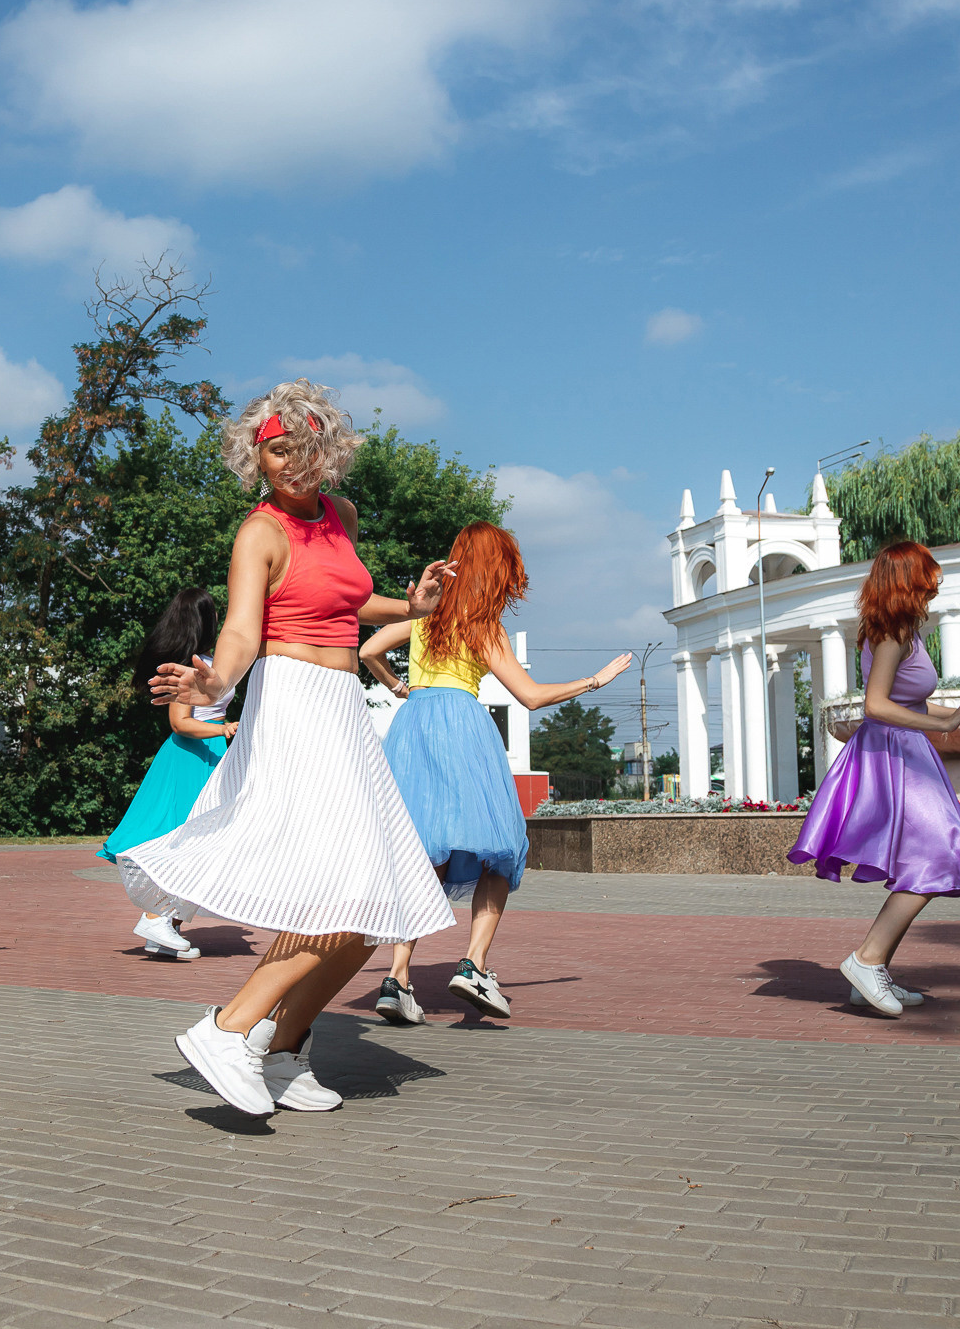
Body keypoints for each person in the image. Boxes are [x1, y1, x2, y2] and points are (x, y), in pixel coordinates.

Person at [127, 380, 459, 1117]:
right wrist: (216, 677)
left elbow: (345, 597)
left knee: (376, 908)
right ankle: (229, 1029)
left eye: (301, 450)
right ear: (258, 458)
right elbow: (244, 630)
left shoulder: (339, 515)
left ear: (328, 452)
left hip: (344, 709)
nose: (287, 464)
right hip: (294, 707)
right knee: (341, 890)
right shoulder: (260, 532)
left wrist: (412, 607)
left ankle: (280, 1052)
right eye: (273, 451)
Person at [359, 524, 631, 1023]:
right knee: (499, 849)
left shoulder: (426, 616)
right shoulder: (483, 625)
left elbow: (367, 650)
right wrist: (595, 680)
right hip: (462, 726)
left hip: (413, 726)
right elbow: (530, 695)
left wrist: (400, 688)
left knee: (421, 851)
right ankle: (474, 965)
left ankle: (397, 978)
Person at [786, 540, 960, 1018]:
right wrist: (943, 725)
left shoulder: (904, 630)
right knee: (935, 858)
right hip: (892, 755)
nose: (937, 583)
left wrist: (959, 713)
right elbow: (876, 705)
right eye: (930, 576)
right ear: (909, 580)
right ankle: (866, 959)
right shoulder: (893, 633)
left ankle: (872, 972)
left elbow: (912, 704)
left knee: (922, 862)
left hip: (904, 752)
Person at [100, 589, 240, 961]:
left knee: (195, 839)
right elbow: (181, 723)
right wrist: (224, 729)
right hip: (192, 757)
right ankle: (154, 917)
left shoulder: (207, 663)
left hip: (208, 756)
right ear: (207, 620)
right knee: (186, 839)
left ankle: (164, 930)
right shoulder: (188, 668)